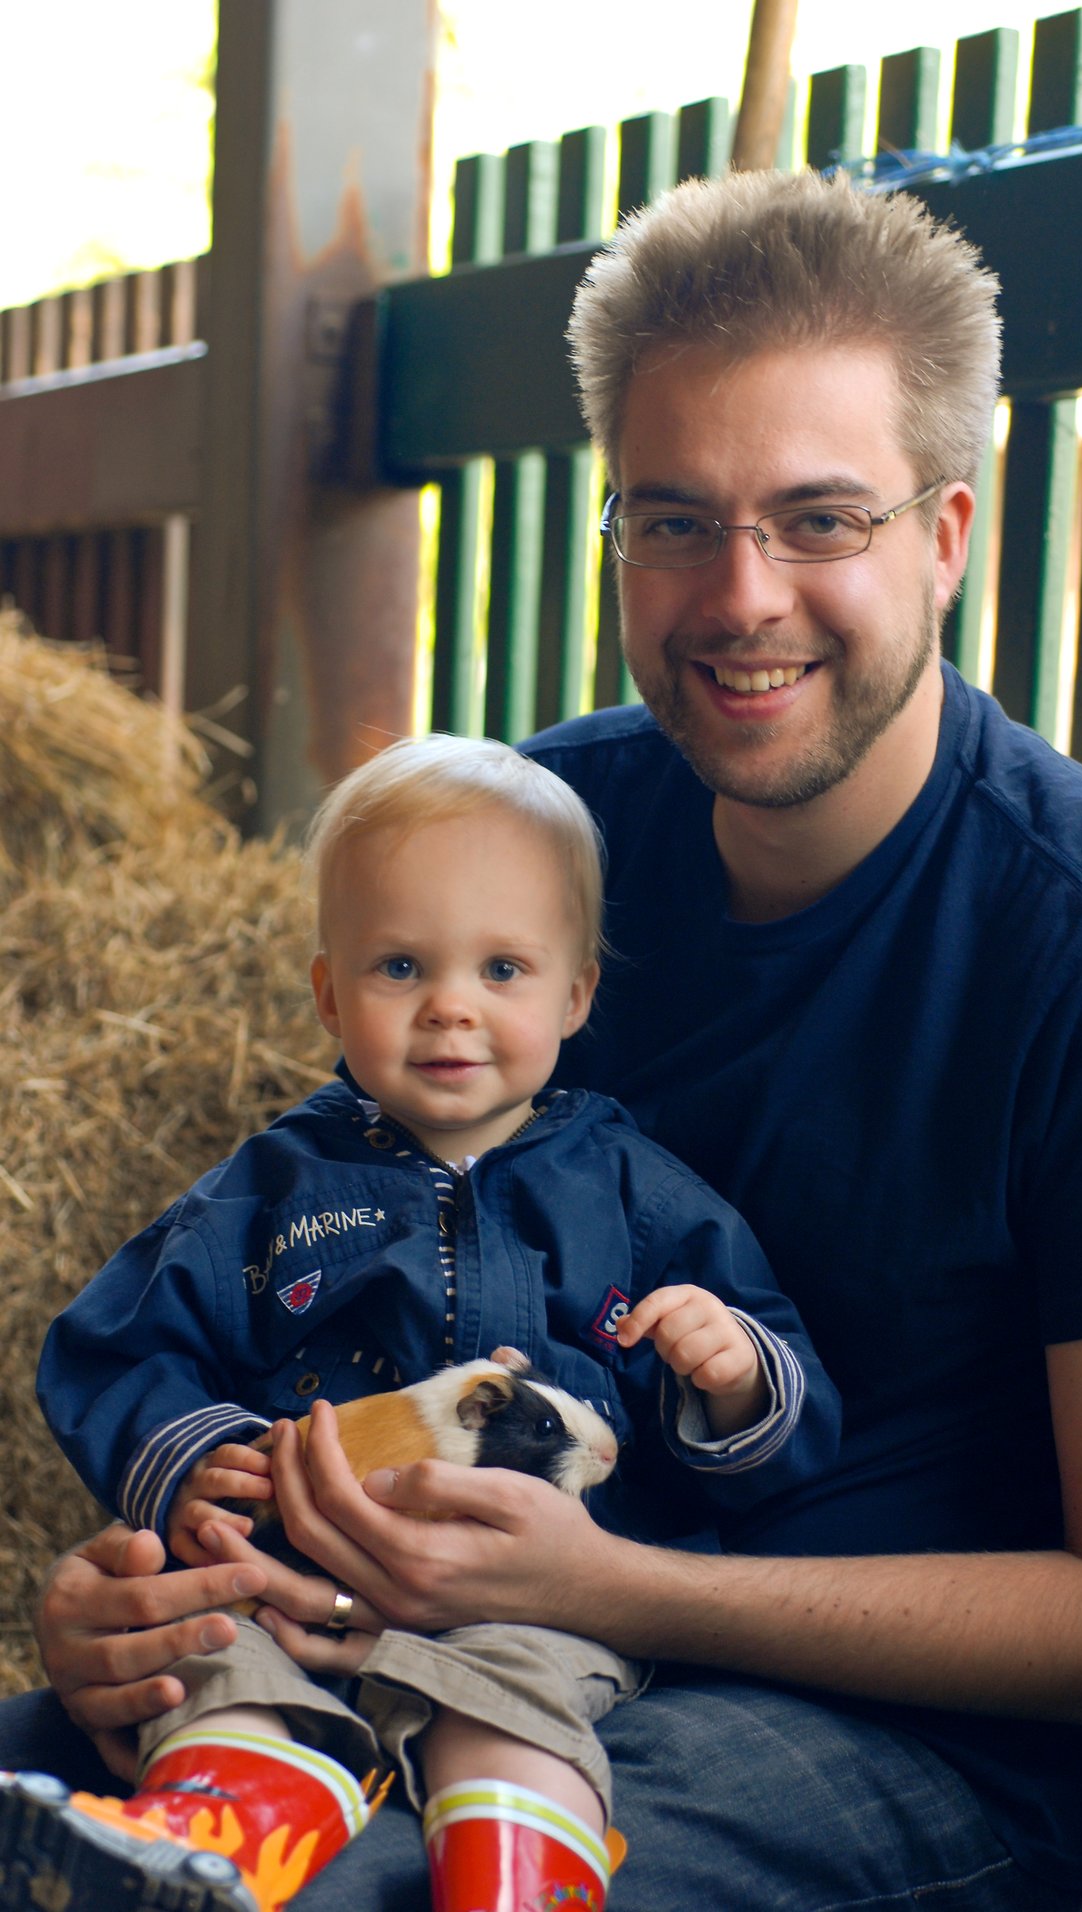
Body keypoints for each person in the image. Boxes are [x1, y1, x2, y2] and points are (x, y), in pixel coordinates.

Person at [6, 165, 1082, 1912]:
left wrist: (608, 1585)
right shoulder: (550, 837)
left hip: (886, 1728)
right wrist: (151, 1600)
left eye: (820, 518)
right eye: (674, 518)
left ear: (949, 536)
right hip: (442, 1632)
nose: (739, 594)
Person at [14, 733, 839, 1911]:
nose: (451, 1006)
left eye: (502, 969)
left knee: (514, 1704)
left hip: (532, 1600)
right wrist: (195, 1468)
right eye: (400, 966)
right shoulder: (271, 1187)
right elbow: (115, 1343)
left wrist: (733, 1378)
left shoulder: (633, 1190)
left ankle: (518, 1871)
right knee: (210, 1664)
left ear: (576, 992)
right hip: (289, 1578)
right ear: (327, 992)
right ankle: (219, 1830)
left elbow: (786, 1408)